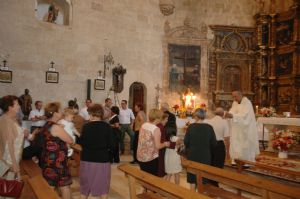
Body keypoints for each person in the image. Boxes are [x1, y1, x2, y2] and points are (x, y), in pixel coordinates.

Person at [39, 102, 74, 199]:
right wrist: (62, 129)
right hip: (58, 162)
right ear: (55, 114)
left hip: (47, 160)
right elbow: (70, 140)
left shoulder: (46, 125)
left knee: (51, 185)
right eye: (59, 111)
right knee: (65, 186)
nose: (62, 113)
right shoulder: (55, 127)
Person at [78, 104, 113, 199]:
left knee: (85, 185)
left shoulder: (86, 127)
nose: (88, 116)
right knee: (103, 185)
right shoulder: (107, 127)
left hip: (86, 159)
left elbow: (82, 143)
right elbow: (111, 144)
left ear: (92, 114)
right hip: (102, 159)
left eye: (89, 114)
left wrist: (78, 136)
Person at [184, 108, 217, 190]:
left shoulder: (191, 127)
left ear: (196, 116)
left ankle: (191, 196)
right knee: (203, 178)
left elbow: (186, 142)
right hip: (205, 156)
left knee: (192, 178)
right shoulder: (209, 127)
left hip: (192, 155)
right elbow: (214, 144)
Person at [224, 90, 260, 164]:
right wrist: (228, 115)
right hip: (236, 128)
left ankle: (247, 161)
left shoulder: (247, 103)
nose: (234, 98)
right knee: (235, 144)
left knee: (245, 145)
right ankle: (235, 160)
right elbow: (231, 112)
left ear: (241, 95)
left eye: (235, 96)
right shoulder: (235, 103)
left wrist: (233, 116)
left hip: (245, 129)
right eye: (233, 96)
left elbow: (245, 116)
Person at [0, 95, 26, 185]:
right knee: (7, 189)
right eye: (17, 104)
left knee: (6, 188)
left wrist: (23, 133)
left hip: (12, 159)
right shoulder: (7, 121)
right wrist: (15, 166)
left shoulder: (12, 119)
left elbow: (15, 138)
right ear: (10, 107)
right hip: (8, 161)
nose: (19, 106)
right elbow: (8, 145)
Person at [137, 109, 170, 176]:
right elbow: (158, 146)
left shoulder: (144, 124)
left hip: (140, 156)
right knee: (151, 179)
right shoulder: (155, 129)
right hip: (150, 158)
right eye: (160, 117)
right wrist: (165, 144)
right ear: (158, 118)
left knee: (144, 176)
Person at [205, 107, 230, 187]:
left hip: (209, 145)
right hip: (219, 146)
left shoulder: (208, 121)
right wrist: (227, 153)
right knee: (218, 166)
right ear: (223, 114)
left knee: (210, 164)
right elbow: (226, 139)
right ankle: (215, 185)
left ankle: (209, 184)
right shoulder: (224, 122)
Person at [156, 113, 169, 177]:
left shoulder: (160, 126)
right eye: (166, 119)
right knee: (160, 165)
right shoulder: (160, 126)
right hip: (160, 148)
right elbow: (161, 140)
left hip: (161, 148)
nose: (167, 121)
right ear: (162, 119)